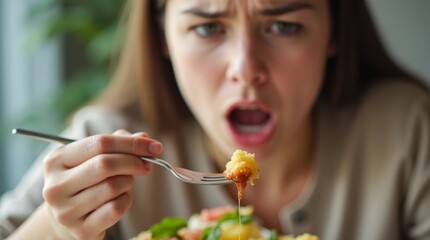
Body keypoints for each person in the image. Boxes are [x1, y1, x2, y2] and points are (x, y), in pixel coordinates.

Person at [1, 0, 429, 239]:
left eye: (283, 26)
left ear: (334, 30)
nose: (245, 67)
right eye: (207, 29)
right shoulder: (103, 141)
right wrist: (56, 229)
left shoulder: (409, 131)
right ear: (163, 35)